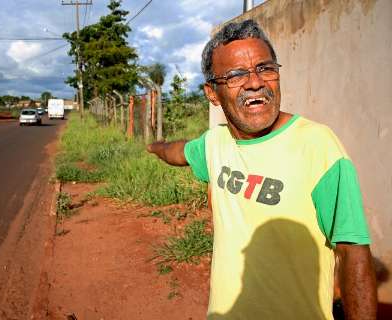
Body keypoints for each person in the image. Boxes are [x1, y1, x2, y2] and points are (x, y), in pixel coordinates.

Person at [147, 19, 377, 319]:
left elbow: (353, 251)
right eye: (236, 75)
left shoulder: (318, 146)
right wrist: (154, 147)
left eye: (265, 68)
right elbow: (177, 152)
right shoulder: (215, 143)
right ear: (212, 94)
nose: (255, 82)